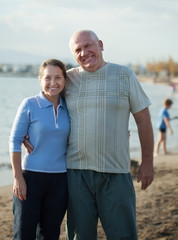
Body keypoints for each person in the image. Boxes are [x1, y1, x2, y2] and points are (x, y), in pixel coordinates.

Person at [25, 30, 154, 240]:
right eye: (78, 49)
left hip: (116, 172)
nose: (84, 52)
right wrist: (24, 133)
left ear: (100, 45)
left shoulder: (125, 75)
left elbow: (143, 120)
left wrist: (147, 161)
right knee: (79, 236)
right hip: (76, 174)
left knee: (123, 235)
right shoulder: (69, 79)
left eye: (88, 46)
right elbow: (43, 107)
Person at [9, 59, 70, 240]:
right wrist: (18, 177)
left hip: (60, 181)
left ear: (65, 80)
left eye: (58, 77)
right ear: (40, 80)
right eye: (47, 78)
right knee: (23, 234)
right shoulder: (29, 104)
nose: (53, 83)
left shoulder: (69, 107)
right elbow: (14, 141)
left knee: (49, 235)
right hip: (30, 178)